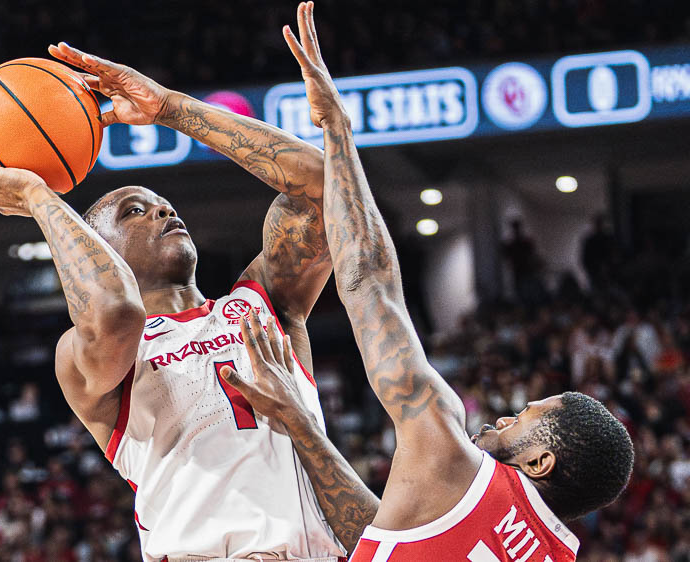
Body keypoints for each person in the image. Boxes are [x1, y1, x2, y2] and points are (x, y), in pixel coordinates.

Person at [219, 4, 635, 560]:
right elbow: (385, 535)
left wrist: (337, 128)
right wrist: (298, 422)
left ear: (540, 463)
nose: (508, 414)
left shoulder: (450, 450)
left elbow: (370, 283)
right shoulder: (549, 552)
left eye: (525, 417)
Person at [0, 28, 345, 561]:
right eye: (134, 211)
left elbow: (325, 189)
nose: (163, 211)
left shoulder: (263, 301)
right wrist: (38, 196)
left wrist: (171, 109)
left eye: (162, 204)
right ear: (99, 249)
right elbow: (117, 310)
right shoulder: (85, 356)